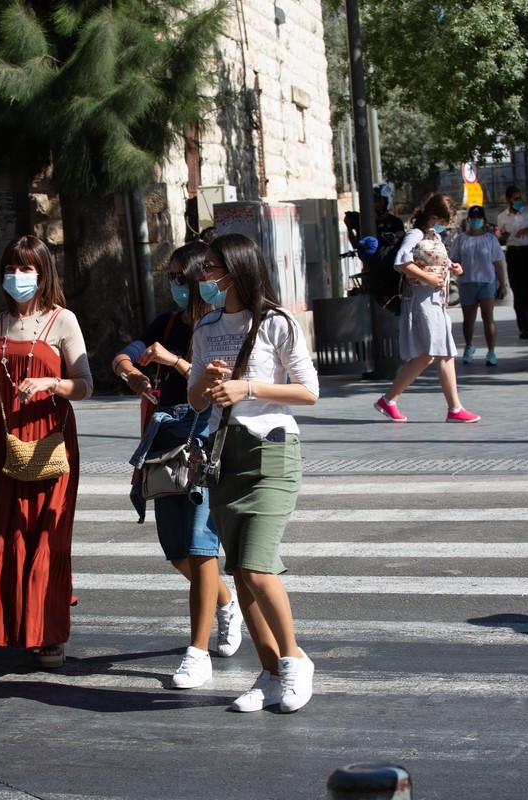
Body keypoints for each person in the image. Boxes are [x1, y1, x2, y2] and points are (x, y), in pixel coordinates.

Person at [186, 233, 319, 713]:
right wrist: (206, 382)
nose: (204, 278)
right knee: (241, 573)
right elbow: (195, 401)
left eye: (212, 268)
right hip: (224, 455)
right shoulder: (206, 329)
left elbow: (308, 392)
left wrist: (248, 387)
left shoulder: (277, 323)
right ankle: (267, 673)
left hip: (271, 451)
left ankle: (294, 662)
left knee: (258, 568)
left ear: (237, 268)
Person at [112, 241, 243, 689]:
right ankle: (226, 602)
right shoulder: (166, 322)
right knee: (175, 550)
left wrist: (175, 361)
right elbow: (124, 352)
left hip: (206, 439)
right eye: (169, 278)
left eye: (178, 277)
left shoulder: (217, 326)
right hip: (165, 445)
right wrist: (131, 372)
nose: (174, 286)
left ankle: (197, 651)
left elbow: (219, 380)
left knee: (200, 543)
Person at [0, 235, 93, 669]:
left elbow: (86, 383)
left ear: (43, 274)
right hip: (9, 445)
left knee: (48, 536)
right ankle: (11, 627)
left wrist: (52, 384)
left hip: (53, 443)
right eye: (11, 268)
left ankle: (50, 635)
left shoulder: (63, 320)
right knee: (8, 535)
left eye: (26, 269)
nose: (17, 277)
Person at [374, 194, 480, 423]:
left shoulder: (433, 236)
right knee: (443, 352)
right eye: (444, 220)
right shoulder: (415, 234)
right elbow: (401, 261)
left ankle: (389, 399)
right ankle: (454, 408)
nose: (445, 225)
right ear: (434, 216)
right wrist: (428, 279)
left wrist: (453, 268)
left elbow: (435, 261)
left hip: (434, 300)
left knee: (426, 356)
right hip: (422, 299)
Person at [448, 205, 506, 366]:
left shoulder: (490, 239)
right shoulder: (460, 239)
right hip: (467, 282)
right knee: (468, 320)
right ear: (468, 220)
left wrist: (502, 284)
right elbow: (454, 261)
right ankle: (468, 346)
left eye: (478, 219)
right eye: (473, 219)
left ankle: (491, 351)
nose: (475, 222)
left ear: (484, 220)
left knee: (488, 315)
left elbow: (497, 263)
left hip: (487, 282)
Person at [496, 185, 528, 338]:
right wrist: (503, 237)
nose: (519, 201)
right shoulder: (502, 217)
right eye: (515, 199)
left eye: (520, 198)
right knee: (518, 290)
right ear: (508, 199)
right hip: (514, 253)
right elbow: (501, 238)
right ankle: (522, 326)